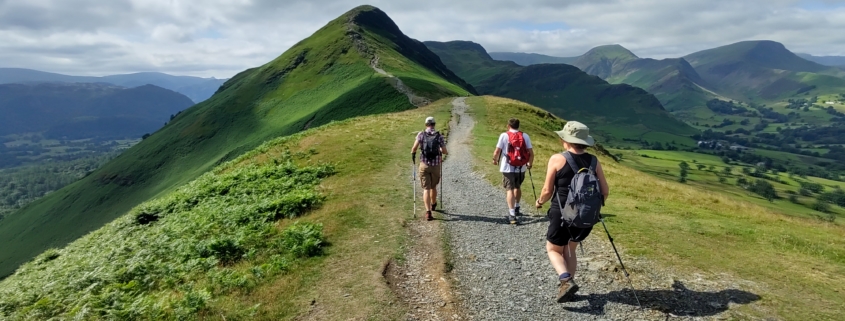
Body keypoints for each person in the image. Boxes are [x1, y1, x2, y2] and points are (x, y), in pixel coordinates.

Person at [534, 121, 609, 303]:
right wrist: (592, 207)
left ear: (565, 140)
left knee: (552, 249)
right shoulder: (594, 161)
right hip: (586, 216)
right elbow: (605, 190)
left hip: (562, 214)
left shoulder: (557, 159)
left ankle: (566, 280)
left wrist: (539, 202)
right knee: (570, 249)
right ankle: (567, 288)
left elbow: (546, 191)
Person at [492, 118, 533, 224]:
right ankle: (517, 207)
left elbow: (497, 151)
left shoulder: (504, 135)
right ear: (518, 126)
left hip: (507, 166)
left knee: (509, 189)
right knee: (517, 186)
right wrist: (529, 163)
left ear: (508, 126)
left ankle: (512, 215)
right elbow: (531, 153)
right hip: (521, 166)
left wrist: (495, 160)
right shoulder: (525, 136)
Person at [411, 116, 448, 221]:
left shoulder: (421, 134)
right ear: (434, 124)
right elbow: (445, 151)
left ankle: (428, 212)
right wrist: (440, 150)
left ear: (426, 124)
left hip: (424, 165)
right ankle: (433, 204)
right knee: (433, 187)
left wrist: (413, 155)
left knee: (426, 188)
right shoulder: (439, 136)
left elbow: (414, 148)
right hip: (435, 165)